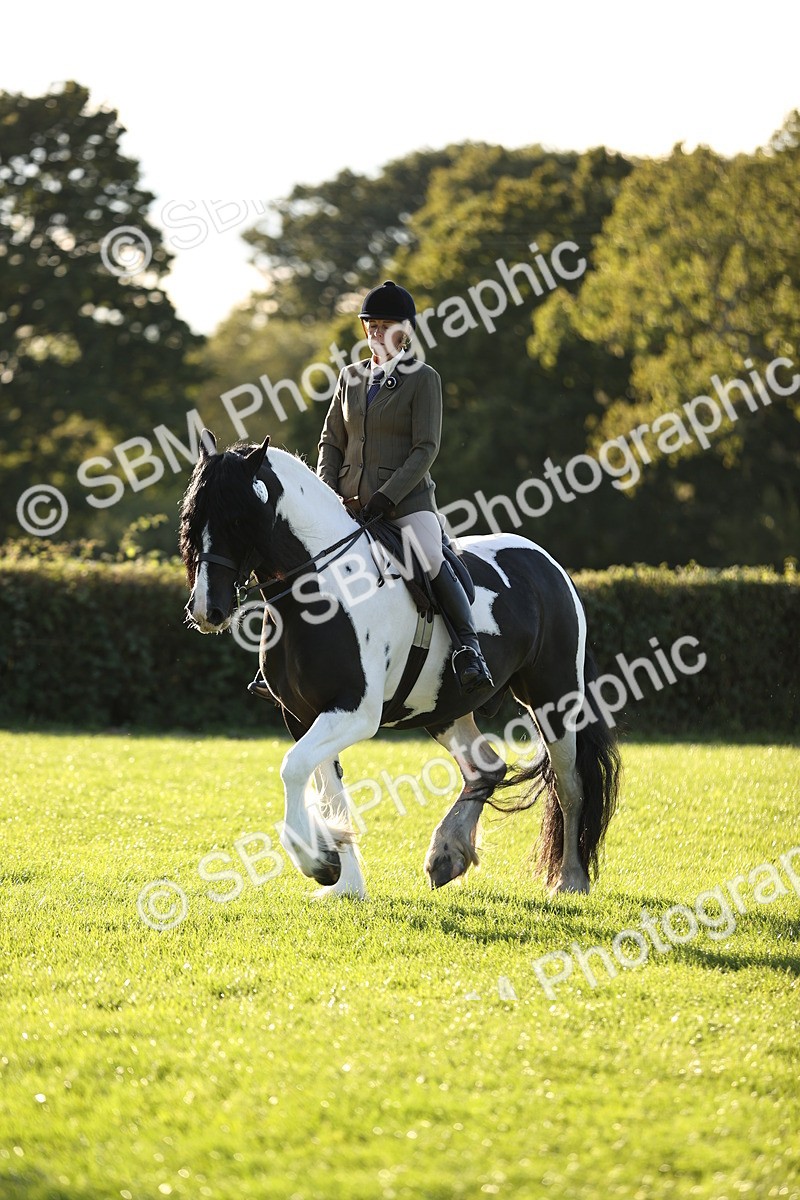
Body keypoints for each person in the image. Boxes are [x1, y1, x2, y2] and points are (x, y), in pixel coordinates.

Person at [315, 280, 493, 697]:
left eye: (385, 325)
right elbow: (331, 441)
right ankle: (285, 660)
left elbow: (425, 448)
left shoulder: (422, 378)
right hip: (348, 503)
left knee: (430, 557)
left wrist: (386, 496)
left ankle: (469, 648)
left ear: (406, 331)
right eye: (370, 325)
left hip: (404, 504)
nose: (377, 333)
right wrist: (327, 490)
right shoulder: (350, 377)